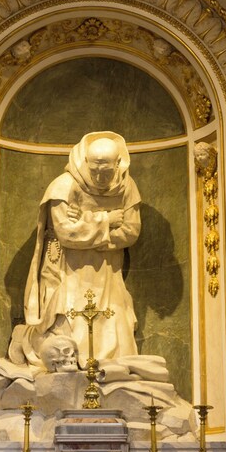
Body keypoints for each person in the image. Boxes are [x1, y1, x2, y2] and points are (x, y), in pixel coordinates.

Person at [17, 131, 142, 369]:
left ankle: (107, 372)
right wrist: (105, 220)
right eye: (94, 170)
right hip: (68, 269)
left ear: (118, 164)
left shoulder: (127, 187)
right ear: (86, 161)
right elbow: (67, 234)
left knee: (115, 326)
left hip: (107, 271)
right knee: (68, 323)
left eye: (106, 172)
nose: (99, 177)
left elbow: (131, 231)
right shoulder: (63, 185)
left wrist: (85, 225)